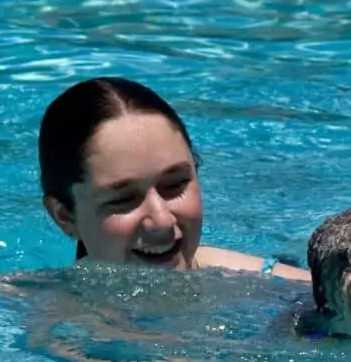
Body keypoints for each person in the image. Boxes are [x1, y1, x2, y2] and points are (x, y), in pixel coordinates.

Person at [35, 76, 311, 282]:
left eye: (175, 184)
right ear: (65, 217)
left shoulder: (277, 287)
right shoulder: (38, 314)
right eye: (123, 199)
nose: (163, 220)